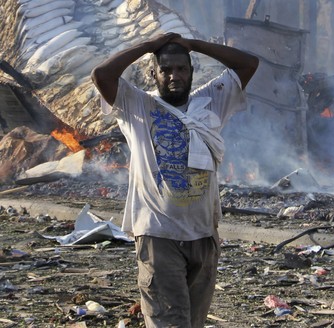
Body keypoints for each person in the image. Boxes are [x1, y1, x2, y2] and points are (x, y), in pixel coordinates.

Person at [91, 32, 259, 327]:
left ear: (191, 72)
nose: (174, 76)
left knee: (193, 322)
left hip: (203, 235)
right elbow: (101, 74)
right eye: (166, 69)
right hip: (159, 236)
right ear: (153, 73)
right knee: (169, 322)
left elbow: (248, 64)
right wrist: (147, 46)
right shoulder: (138, 106)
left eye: (181, 68)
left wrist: (194, 45)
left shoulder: (209, 101)